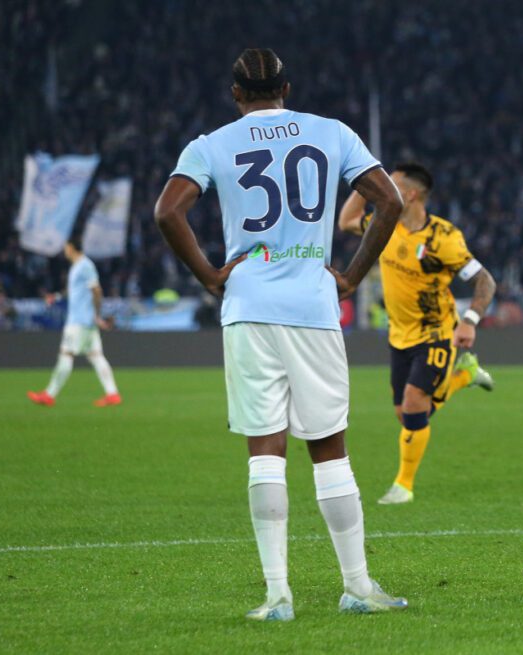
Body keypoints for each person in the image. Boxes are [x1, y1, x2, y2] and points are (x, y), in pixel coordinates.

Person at [154, 48, 407, 620]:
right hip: (313, 304)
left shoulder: (211, 144)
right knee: (329, 448)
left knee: (264, 449)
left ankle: (277, 596)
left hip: (248, 306)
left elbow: (168, 212)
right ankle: (359, 587)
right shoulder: (332, 133)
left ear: (236, 93)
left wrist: (212, 277)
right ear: (286, 88)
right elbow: (388, 200)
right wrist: (351, 277)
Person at [339, 162, 497, 505]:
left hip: (436, 333)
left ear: (409, 194)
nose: (383, 187)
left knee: (413, 404)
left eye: (390, 184)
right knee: (407, 416)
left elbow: (485, 280)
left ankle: (403, 486)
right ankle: (464, 376)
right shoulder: (385, 226)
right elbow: (347, 222)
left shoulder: (444, 238)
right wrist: (362, 182)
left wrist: (469, 320)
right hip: (399, 335)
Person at [27, 238, 121, 407]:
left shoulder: (85, 265)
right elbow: (74, 291)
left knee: (66, 354)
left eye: (65, 248)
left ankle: (49, 395)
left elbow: (96, 290)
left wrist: (98, 314)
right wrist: (55, 297)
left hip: (79, 321)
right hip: (86, 321)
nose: (64, 251)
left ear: (71, 247)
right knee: (96, 356)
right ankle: (113, 394)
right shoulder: (78, 267)